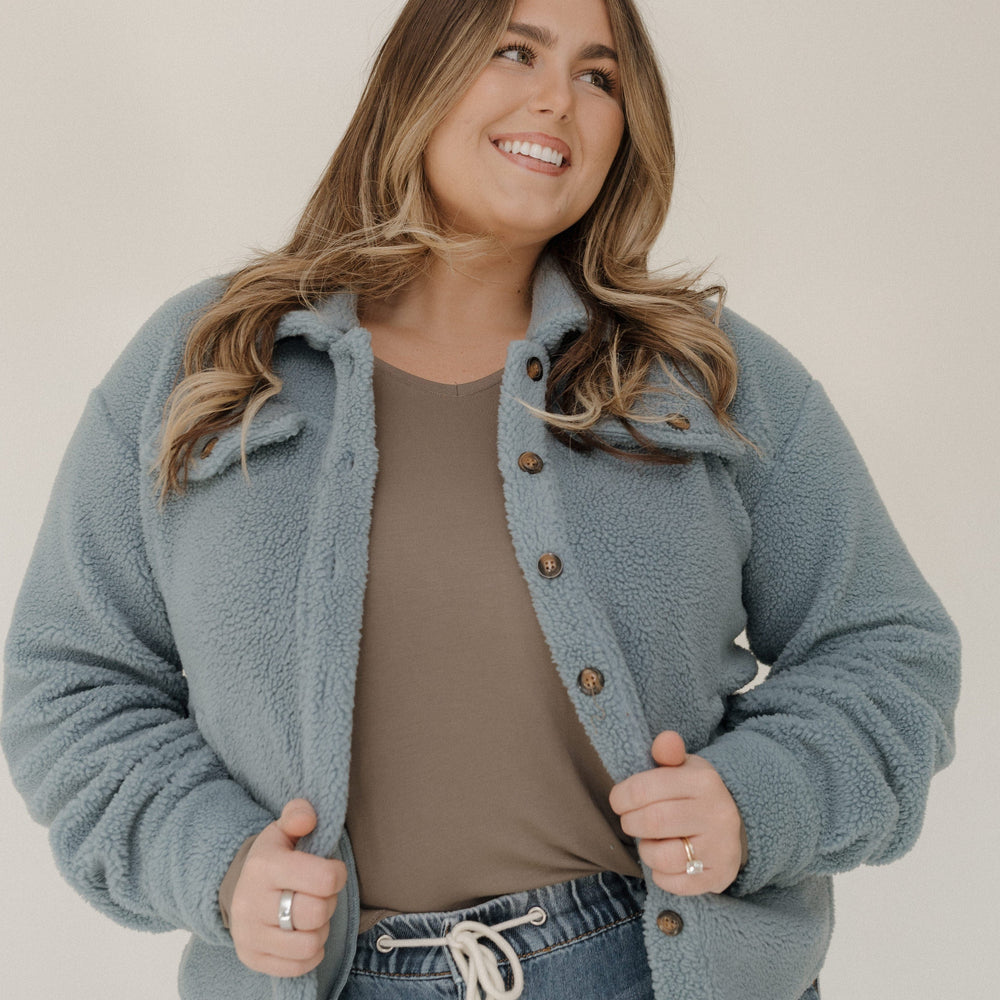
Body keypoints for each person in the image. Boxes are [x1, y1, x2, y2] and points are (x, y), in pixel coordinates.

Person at [1, 0, 959, 998]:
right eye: (516, 52)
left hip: (645, 966)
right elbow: (72, 682)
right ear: (418, 73)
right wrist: (215, 866)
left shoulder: (706, 375)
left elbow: (888, 650)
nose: (559, 98)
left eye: (600, 76)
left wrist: (756, 802)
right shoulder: (208, 360)